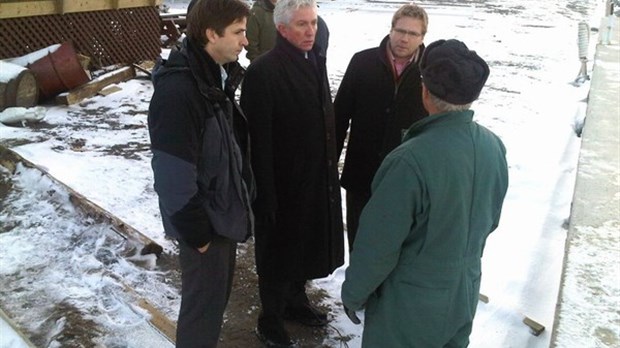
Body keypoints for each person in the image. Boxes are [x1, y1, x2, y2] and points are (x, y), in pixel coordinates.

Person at [341, 39, 509, 347]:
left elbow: (378, 245)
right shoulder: (493, 146)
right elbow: (490, 220)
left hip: (407, 305)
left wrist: (353, 294)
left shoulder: (409, 160)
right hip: (462, 295)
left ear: (424, 92)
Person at [147, 0, 254, 347]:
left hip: (219, 215)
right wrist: (199, 234)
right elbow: (172, 177)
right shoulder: (180, 92)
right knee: (202, 312)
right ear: (211, 34)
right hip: (204, 224)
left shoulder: (211, 78)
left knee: (212, 305)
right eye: (238, 32)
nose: (245, 41)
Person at [240, 0, 344, 346]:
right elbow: (257, 141)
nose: (310, 30)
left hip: (313, 177)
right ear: (281, 29)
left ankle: (296, 303)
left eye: (313, 23)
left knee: (304, 245)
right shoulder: (263, 72)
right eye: (301, 24)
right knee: (278, 253)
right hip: (280, 184)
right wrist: (265, 194)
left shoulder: (314, 60)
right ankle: (270, 319)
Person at [334, 3, 429, 251]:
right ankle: (357, 289)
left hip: (404, 180)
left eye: (412, 34)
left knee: (394, 248)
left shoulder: (429, 72)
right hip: (362, 174)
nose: (404, 38)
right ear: (391, 29)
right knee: (359, 242)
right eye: (400, 31)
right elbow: (339, 116)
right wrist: (328, 164)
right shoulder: (362, 62)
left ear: (422, 37)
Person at [245, 0, 329, 62]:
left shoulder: (303, 14)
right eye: (301, 24)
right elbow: (251, 44)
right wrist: (258, 64)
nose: (310, 31)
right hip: (268, 66)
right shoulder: (257, 13)